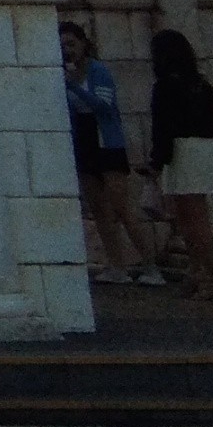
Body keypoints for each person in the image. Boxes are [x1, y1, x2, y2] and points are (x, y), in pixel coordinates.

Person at [60, 22, 159, 286]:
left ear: (83, 43)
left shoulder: (98, 71)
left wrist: (75, 87)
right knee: (98, 208)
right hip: (85, 141)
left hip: (107, 142)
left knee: (121, 207)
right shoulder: (63, 74)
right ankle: (116, 265)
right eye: (62, 45)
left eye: (71, 44)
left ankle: (151, 264)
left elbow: (104, 106)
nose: (67, 50)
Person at [147, 29, 213, 303]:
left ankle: (212, 278)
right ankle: (198, 273)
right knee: (192, 219)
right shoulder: (203, 87)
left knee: (193, 221)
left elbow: (163, 129)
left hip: (182, 151)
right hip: (204, 149)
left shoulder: (165, 88)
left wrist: (156, 163)